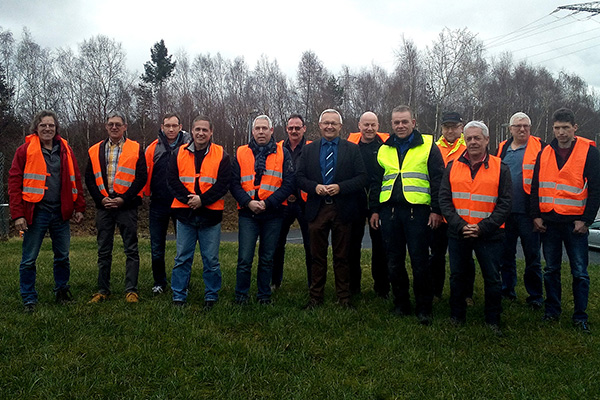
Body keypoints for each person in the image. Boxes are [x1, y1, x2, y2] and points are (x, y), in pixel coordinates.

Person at [369, 105, 444, 325]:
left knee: (420, 261)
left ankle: (424, 307)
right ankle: (401, 303)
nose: (400, 126)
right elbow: (376, 182)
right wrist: (374, 209)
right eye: (396, 122)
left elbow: (439, 179)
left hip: (418, 213)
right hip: (390, 212)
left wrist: (437, 209)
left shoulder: (429, 146)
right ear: (391, 124)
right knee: (394, 261)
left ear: (414, 122)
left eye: (404, 122)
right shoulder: (384, 149)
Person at [531, 108, 600, 333]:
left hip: (575, 224)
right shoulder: (545, 152)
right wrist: (536, 216)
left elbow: (596, 189)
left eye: (566, 128)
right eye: (557, 128)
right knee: (550, 270)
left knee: (579, 272)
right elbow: (535, 186)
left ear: (575, 128)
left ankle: (580, 317)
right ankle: (552, 311)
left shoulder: (589, 152)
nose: (561, 133)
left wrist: (586, 219)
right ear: (553, 128)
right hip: (549, 222)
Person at [8, 110, 85, 312]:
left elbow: (75, 178)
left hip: (61, 212)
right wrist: (18, 215)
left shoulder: (65, 150)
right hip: (36, 212)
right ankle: (29, 299)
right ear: (36, 128)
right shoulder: (24, 151)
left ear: (56, 128)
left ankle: (61, 291)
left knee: (62, 256)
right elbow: (14, 183)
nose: (47, 128)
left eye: (51, 125)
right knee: (29, 259)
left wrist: (79, 206)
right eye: (43, 125)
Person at [439, 120, 511, 334]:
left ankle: (492, 320)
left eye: (477, 138)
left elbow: (505, 203)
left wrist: (483, 227)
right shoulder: (452, 166)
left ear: (487, 140)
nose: (472, 142)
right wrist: (460, 225)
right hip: (458, 232)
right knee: (457, 276)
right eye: (469, 138)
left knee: (492, 278)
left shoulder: (500, 167)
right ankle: (456, 316)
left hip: (489, 234)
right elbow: (444, 199)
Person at [297, 109, 368, 308]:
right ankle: (315, 298)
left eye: (333, 123)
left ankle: (344, 298)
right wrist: (315, 187)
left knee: (342, 256)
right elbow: (299, 177)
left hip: (342, 209)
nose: (329, 126)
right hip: (317, 208)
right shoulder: (309, 149)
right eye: (326, 123)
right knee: (316, 256)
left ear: (340, 127)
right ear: (319, 126)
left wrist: (341, 188)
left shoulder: (351, 149)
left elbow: (362, 177)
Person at [231, 115, 295, 305]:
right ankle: (241, 296)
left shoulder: (283, 153)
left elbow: (289, 183)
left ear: (271, 130)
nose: (261, 132)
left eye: (264, 128)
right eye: (257, 128)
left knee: (267, 257)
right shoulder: (241, 152)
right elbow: (233, 183)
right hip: (247, 212)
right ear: (252, 131)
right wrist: (248, 202)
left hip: (273, 213)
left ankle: (263, 296)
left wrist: (269, 203)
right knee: (244, 258)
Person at [167, 116, 230, 309]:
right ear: (191, 132)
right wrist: (189, 199)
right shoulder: (178, 153)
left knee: (211, 260)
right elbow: (172, 181)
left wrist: (202, 200)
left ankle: (211, 296)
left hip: (210, 216)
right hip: (185, 215)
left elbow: (223, 184)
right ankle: (179, 295)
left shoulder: (222, 155)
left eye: (205, 130)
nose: (201, 133)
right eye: (197, 130)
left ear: (211, 132)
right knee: (182, 258)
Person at [85, 112, 147, 303]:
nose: (114, 127)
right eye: (111, 124)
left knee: (131, 249)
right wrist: (101, 199)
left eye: (118, 124)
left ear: (125, 127)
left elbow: (141, 177)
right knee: (103, 250)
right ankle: (103, 290)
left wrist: (123, 199)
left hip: (126, 206)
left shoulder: (135, 148)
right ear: (106, 126)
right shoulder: (95, 150)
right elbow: (89, 178)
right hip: (103, 206)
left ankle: (131, 290)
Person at [497, 112, 544, 307]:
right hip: (506, 212)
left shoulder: (541, 148)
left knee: (532, 257)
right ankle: (507, 290)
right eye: (518, 126)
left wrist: (538, 214)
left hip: (528, 213)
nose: (522, 129)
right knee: (506, 255)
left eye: (525, 125)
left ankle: (535, 296)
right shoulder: (503, 148)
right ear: (510, 129)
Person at [430, 111, 476, 304]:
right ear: (441, 128)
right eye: (446, 127)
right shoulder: (432, 148)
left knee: (465, 257)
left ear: (461, 127)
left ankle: (466, 294)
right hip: (438, 211)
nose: (450, 130)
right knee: (437, 255)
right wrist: (436, 209)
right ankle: (435, 292)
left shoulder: (470, 147)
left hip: (462, 212)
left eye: (454, 126)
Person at [144, 112, 190, 295]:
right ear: (162, 127)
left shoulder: (189, 147)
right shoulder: (152, 149)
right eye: (167, 126)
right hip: (158, 204)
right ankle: (159, 282)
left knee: (183, 248)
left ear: (180, 127)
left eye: (174, 125)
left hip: (182, 204)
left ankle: (183, 282)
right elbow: (144, 173)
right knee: (157, 247)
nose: (171, 129)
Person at [347, 111, 390, 298]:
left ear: (378, 126)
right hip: (354, 204)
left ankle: (382, 288)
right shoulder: (350, 147)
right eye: (366, 125)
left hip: (378, 205)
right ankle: (352, 287)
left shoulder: (386, 148)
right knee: (352, 247)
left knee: (380, 248)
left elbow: (382, 180)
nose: (369, 128)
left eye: (373, 125)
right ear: (359, 126)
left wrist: (376, 209)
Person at [272, 114, 312, 290]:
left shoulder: (312, 148)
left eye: (298, 127)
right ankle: (275, 282)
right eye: (291, 128)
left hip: (306, 203)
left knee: (311, 245)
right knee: (277, 244)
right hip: (283, 202)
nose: (294, 131)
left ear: (304, 128)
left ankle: (313, 284)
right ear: (286, 129)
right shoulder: (277, 148)